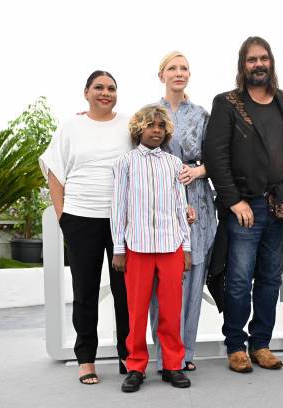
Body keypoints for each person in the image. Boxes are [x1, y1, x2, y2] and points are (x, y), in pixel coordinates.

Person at [204, 36, 283, 373]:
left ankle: (261, 344)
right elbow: (216, 155)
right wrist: (233, 200)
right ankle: (236, 346)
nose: (259, 64)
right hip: (245, 206)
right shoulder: (226, 103)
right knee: (239, 278)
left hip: (280, 205)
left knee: (271, 277)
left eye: (264, 58)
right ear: (243, 65)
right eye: (252, 59)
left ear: (271, 63)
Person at [39, 70, 132, 384]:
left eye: (111, 88)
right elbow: (54, 170)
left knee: (125, 293)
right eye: (99, 87)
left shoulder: (129, 125)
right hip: (80, 218)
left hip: (123, 222)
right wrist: (63, 214)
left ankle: (127, 355)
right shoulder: (70, 126)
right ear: (86, 92)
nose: (105, 93)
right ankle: (86, 358)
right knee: (85, 291)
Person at [111, 105, 192, 392]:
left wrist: (186, 246)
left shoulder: (173, 164)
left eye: (160, 126)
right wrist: (119, 248)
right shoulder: (125, 163)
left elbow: (180, 206)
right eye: (150, 126)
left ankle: (172, 365)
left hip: (171, 246)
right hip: (137, 247)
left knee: (171, 310)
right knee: (136, 311)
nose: (156, 130)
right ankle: (135, 366)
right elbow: (118, 208)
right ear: (139, 130)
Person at [148, 51, 217, 373]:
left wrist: (200, 171)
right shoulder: (149, 114)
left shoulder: (203, 115)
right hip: (160, 202)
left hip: (198, 201)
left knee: (192, 280)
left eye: (184, 68)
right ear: (161, 74)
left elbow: (219, 158)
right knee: (162, 281)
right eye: (172, 68)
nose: (179, 73)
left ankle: (185, 353)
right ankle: (164, 356)